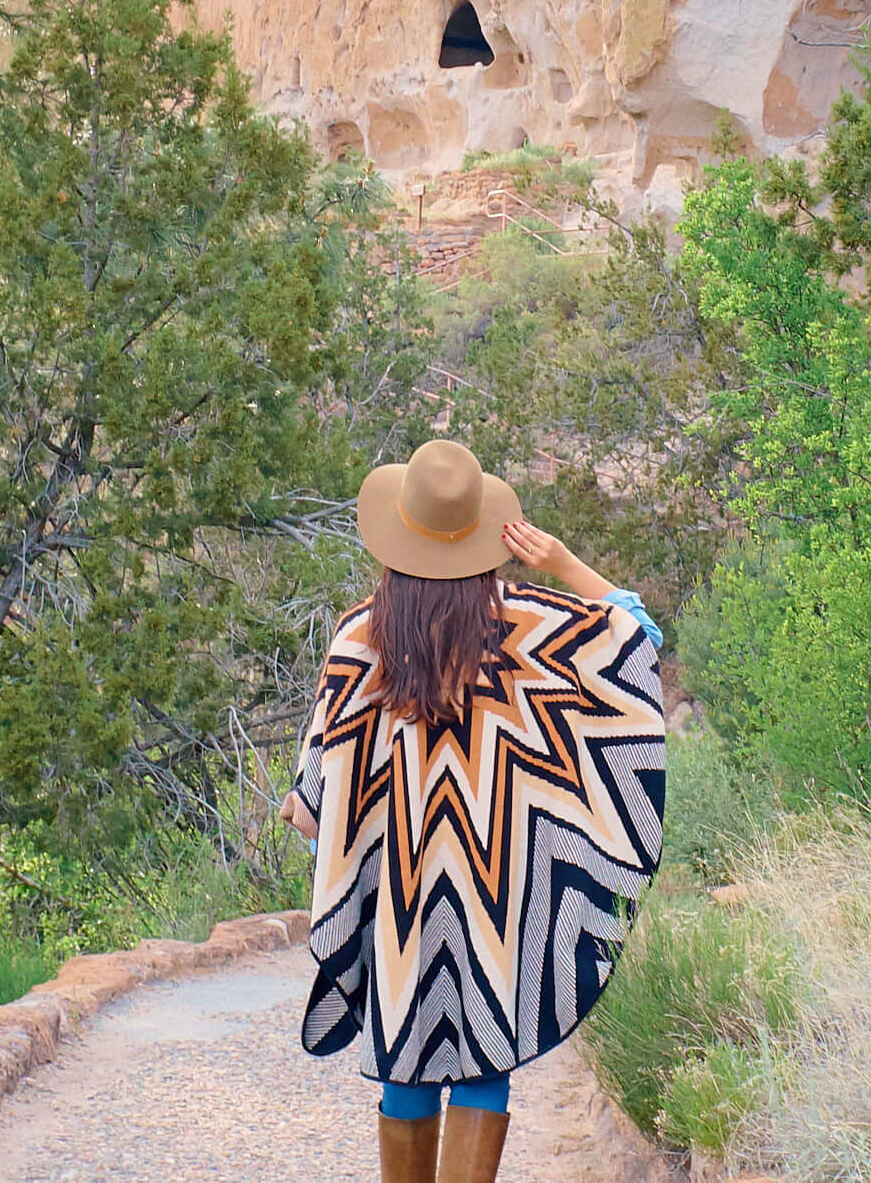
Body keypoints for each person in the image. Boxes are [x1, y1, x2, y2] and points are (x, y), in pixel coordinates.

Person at [280, 439, 667, 1183]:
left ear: (398, 534)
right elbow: (636, 639)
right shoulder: (530, 629)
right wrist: (558, 561)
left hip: (402, 891)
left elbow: (312, 801)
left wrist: (352, 849)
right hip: (502, 889)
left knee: (408, 1055)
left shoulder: (361, 638)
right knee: (487, 1050)